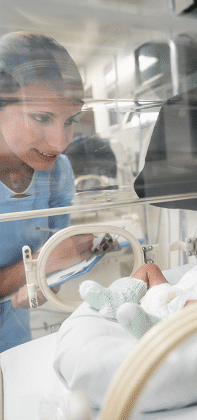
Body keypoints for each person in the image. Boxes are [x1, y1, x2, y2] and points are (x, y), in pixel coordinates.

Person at [0, 32, 94, 352]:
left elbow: (54, 263)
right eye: (40, 117)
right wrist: (41, 265)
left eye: (71, 120)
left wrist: (51, 275)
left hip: (14, 343)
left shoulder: (57, 172)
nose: (59, 142)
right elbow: (48, 258)